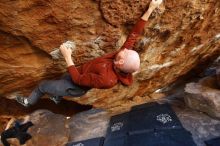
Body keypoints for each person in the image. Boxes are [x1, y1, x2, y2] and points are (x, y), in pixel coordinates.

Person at [16, 0, 163, 107]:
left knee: (43, 85)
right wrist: (150, 9)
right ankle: (57, 97)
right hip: (77, 73)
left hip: (74, 86)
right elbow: (134, 35)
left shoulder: (107, 80)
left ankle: (28, 102)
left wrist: (67, 57)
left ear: (120, 63)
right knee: (63, 77)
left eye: (124, 53)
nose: (124, 49)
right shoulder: (122, 57)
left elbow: (78, 79)